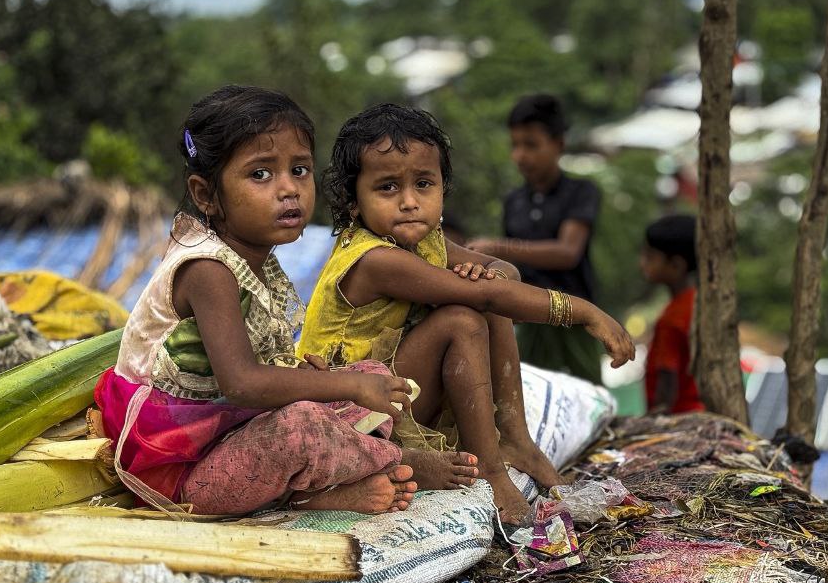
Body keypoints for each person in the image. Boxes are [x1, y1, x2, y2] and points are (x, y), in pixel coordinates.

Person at [95, 85, 476, 518]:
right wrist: (341, 385)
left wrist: (319, 377)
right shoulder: (209, 270)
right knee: (302, 427)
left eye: (299, 170)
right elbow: (243, 384)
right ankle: (396, 462)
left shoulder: (255, 260)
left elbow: (248, 374)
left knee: (369, 374)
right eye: (261, 174)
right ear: (205, 195)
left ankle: (322, 486)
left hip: (234, 432)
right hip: (181, 469)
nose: (288, 189)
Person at [299, 103, 635, 525]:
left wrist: (487, 271)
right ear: (353, 202)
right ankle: (491, 469)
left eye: (424, 184)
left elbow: (504, 276)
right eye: (387, 188)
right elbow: (494, 299)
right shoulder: (375, 259)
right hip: (353, 415)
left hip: (394, 391)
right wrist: (583, 312)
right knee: (464, 316)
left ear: (442, 186)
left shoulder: (427, 240)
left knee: (481, 294)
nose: (409, 202)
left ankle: (516, 437)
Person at [466, 94, 604, 384]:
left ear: (559, 145)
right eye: (515, 145)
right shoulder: (514, 201)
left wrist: (499, 247)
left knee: (587, 392)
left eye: (531, 145)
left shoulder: (581, 192)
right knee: (528, 390)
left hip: (575, 318)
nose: (520, 155)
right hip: (529, 316)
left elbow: (568, 251)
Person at [640, 214, 704, 415]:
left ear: (676, 265)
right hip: (699, 411)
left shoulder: (673, 317)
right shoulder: (698, 303)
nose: (642, 263)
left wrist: (656, 420)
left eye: (650, 257)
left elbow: (667, 379)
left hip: (679, 417)